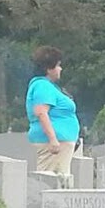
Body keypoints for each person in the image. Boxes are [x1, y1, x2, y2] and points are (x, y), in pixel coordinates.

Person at [26, 45, 80, 187]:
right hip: (54, 145)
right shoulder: (42, 86)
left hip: (61, 142)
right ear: (49, 69)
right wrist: (53, 139)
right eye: (58, 66)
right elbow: (41, 112)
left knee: (60, 181)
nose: (60, 69)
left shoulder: (49, 87)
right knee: (50, 183)